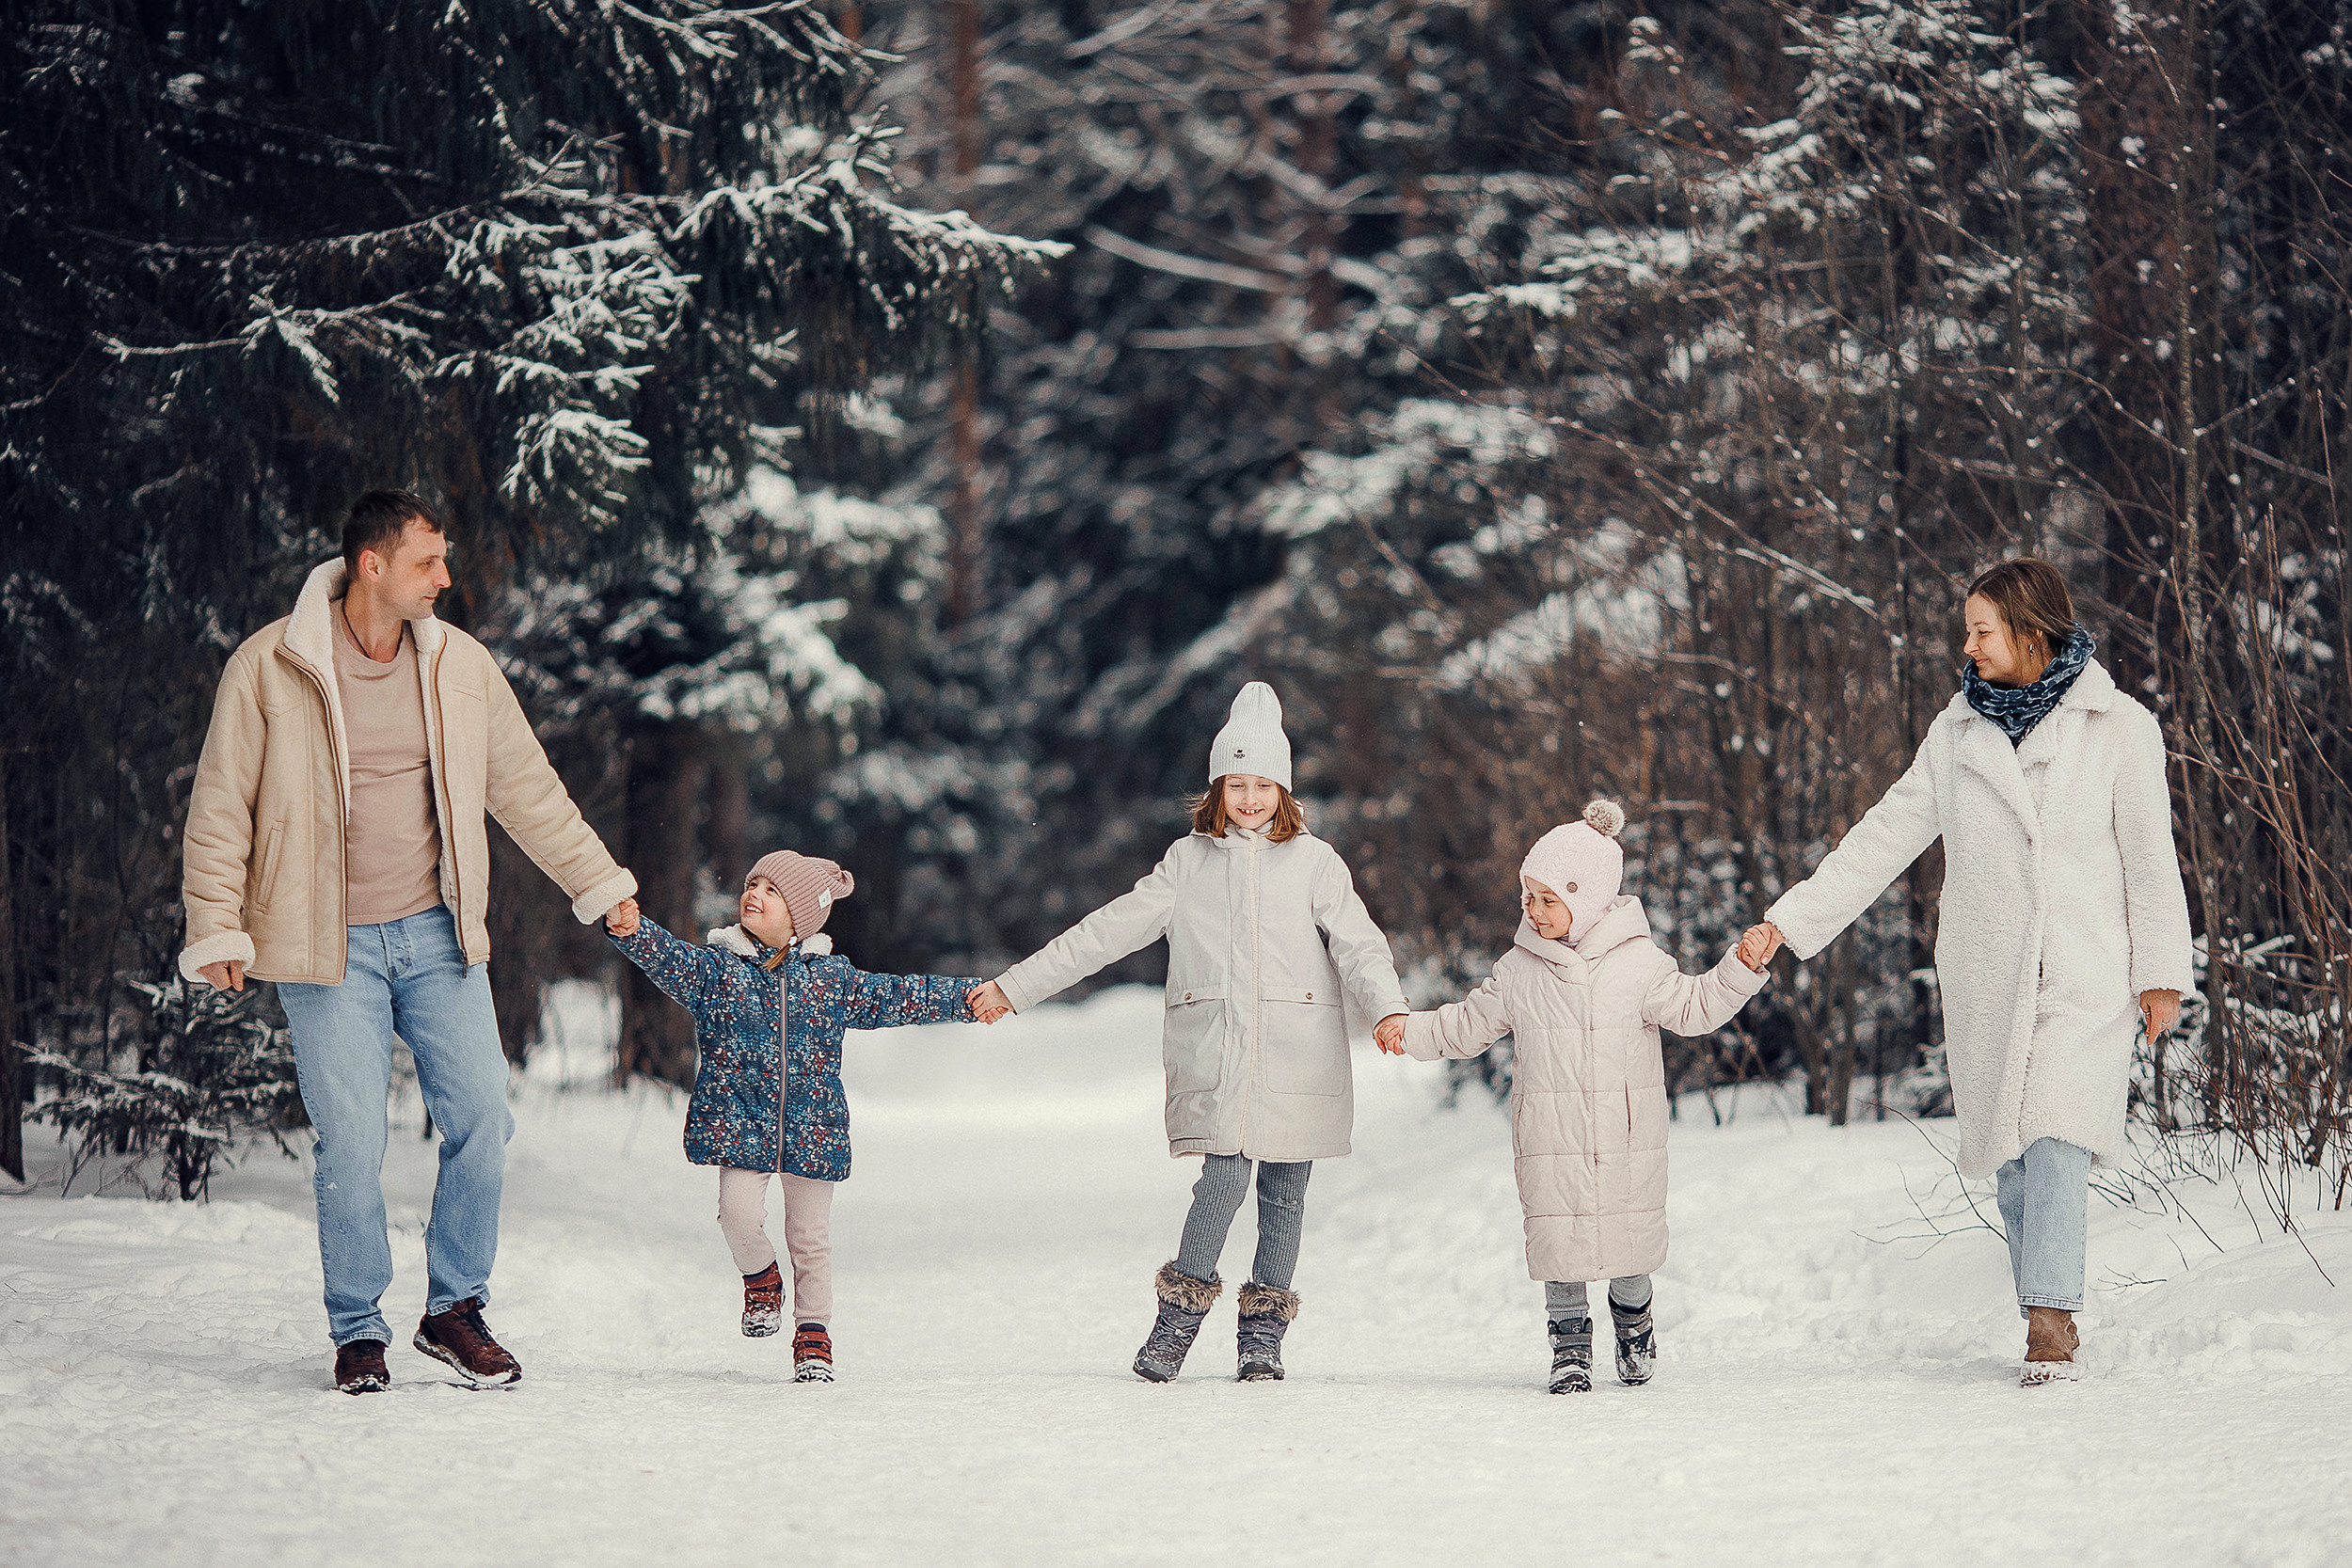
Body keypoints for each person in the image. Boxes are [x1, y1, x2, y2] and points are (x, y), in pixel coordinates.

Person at [179, 490, 638, 1395]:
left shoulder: (459, 665)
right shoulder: (270, 665)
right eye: (428, 561)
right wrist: (217, 923)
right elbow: (222, 803)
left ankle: (454, 1309)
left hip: (437, 932)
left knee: (483, 1116)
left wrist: (600, 881)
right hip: (326, 945)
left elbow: (527, 788)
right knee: (351, 1140)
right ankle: (358, 1327)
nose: (445, 577)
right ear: (372, 565)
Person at [1736, 558, 2191, 1385]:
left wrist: (2160, 973)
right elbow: (1882, 838)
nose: (1969, 646)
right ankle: (2044, 1299)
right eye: (1968, 631)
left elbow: (2151, 858)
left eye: (1982, 630)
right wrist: (1789, 921)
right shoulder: (1955, 736)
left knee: (2058, 1135)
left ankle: (2050, 1323)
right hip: (1988, 974)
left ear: (2030, 631)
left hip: (2085, 971)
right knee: (2013, 1161)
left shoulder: (2119, 727)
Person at [967, 682, 1409, 1384]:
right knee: (1222, 1182)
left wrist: (1387, 1007)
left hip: (1297, 1057)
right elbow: (1106, 932)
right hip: (1219, 1054)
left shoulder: (1316, 862)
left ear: (1283, 789)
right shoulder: (1187, 862)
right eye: (1237, 784)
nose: (1250, 798)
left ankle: (1262, 1336)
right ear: (1217, 788)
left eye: (1263, 784)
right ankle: (1177, 1319)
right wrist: (1016, 987)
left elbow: (1360, 944)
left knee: (1285, 1196)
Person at [1374, 800, 1772, 1393]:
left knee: (1629, 1244)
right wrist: (1410, 1030)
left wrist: (1740, 967)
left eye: (1548, 900)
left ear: (1585, 900)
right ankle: (1570, 1350)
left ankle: (1634, 1326)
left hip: (1626, 1137)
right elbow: (1467, 1024)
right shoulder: (1519, 970)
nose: (1533, 912)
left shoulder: (1640, 964)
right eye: (1527, 898)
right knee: (1560, 1244)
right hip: (1551, 1137)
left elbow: (1695, 1007)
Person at [603, 851, 982, 1382]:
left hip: (813, 1128)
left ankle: (813, 1334)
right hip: (740, 1123)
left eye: (771, 890)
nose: (753, 894)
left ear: (799, 914)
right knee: (737, 1216)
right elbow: (670, 959)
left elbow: (900, 995)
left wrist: (968, 998)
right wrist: (632, 930)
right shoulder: (718, 971)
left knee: (809, 1237)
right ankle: (761, 1277)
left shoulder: (831, 979)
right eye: (752, 883)